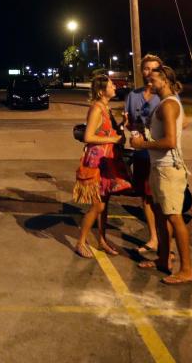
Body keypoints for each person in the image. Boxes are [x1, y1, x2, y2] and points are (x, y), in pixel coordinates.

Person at [131, 66, 192, 285]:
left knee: (175, 218)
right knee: (161, 216)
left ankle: (186, 269)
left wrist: (142, 144)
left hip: (169, 169)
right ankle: (162, 260)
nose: (149, 84)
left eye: (153, 80)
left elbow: (169, 142)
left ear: (166, 80)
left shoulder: (169, 105)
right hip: (158, 167)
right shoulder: (163, 104)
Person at [72, 74, 128, 258]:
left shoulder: (106, 107)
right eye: (111, 85)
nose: (115, 87)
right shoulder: (96, 109)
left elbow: (105, 130)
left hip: (107, 161)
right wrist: (113, 138)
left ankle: (101, 240)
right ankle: (81, 242)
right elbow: (88, 137)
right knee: (98, 206)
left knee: (105, 203)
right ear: (101, 90)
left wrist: (122, 125)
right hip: (96, 162)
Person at [124, 54, 162, 253]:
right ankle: (153, 238)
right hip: (141, 154)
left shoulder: (165, 95)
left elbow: (179, 123)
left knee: (161, 198)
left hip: (160, 155)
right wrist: (130, 125)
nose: (149, 73)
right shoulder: (133, 95)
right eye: (146, 69)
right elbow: (130, 123)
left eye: (154, 69)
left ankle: (165, 242)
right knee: (146, 198)